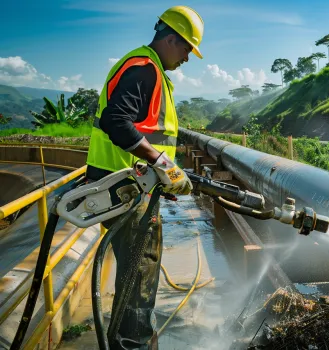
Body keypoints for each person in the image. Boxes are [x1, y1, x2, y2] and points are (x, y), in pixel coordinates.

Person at [85, 6, 204, 349]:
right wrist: (162, 165)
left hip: (132, 185)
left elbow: (145, 130)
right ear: (170, 40)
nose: (186, 58)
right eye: (186, 49)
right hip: (126, 192)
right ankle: (132, 343)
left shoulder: (149, 69)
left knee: (135, 272)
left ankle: (129, 338)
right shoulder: (144, 69)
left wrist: (158, 177)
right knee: (140, 273)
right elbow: (116, 121)